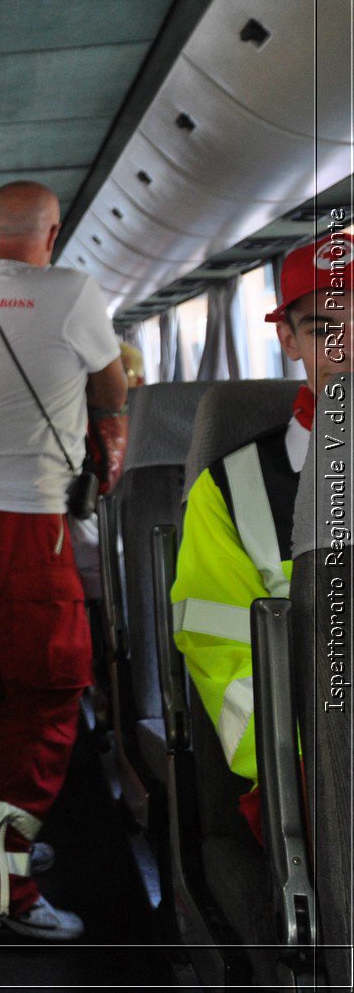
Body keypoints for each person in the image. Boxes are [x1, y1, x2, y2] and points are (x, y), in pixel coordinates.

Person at [0, 180, 126, 939]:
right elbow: (110, 385)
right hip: (27, 518)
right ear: (53, 232)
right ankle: (8, 894)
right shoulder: (72, 290)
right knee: (46, 693)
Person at [171, 230, 351, 840]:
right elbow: (226, 661)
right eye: (326, 328)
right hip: (319, 772)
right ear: (288, 339)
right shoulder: (228, 491)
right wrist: (325, 753)